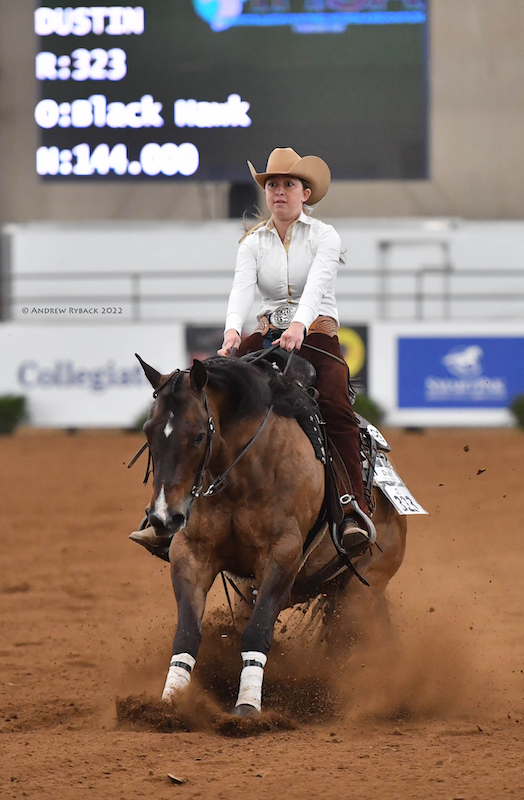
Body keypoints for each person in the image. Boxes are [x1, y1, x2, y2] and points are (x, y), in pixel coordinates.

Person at [131, 147, 375, 556]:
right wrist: (230, 333)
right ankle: (167, 511)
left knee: (335, 406)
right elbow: (242, 288)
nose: (279, 192)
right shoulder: (252, 242)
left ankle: (351, 506)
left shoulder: (325, 236)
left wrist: (299, 325)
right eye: (273, 185)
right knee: (200, 397)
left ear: (305, 193)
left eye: (288, 185)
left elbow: (317, 285)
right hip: (263, 336)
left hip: (316, 336)